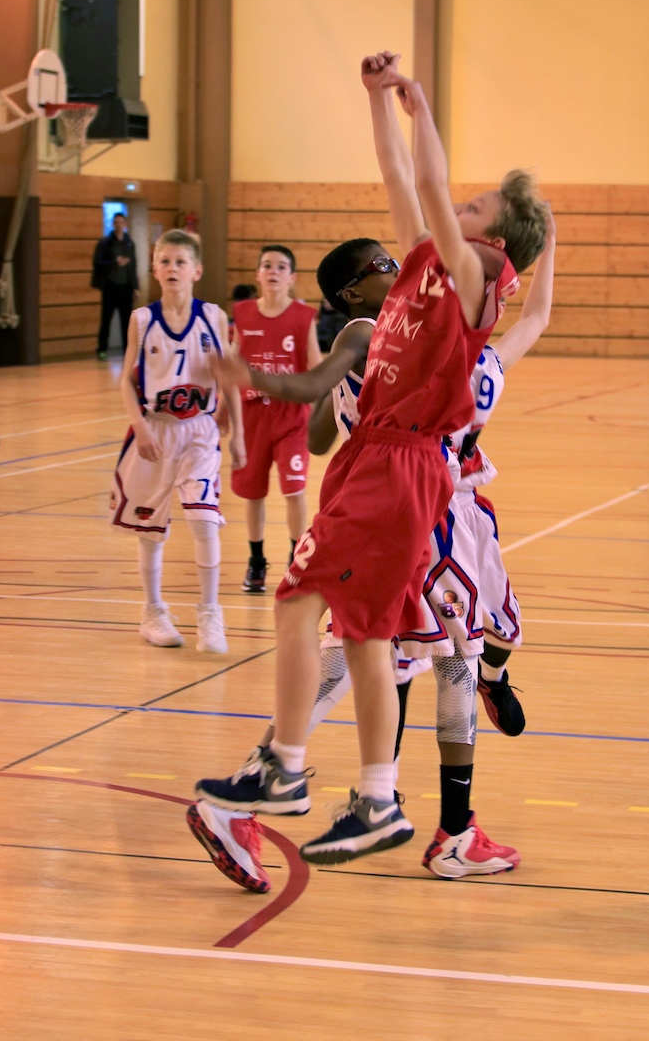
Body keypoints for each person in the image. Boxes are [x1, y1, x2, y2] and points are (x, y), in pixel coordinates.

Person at [192, 50, 548, 872]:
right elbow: (400, 179)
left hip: (403, 466)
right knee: (366, 635)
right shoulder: (421, 270)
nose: (456, 205)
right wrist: (376, 103)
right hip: (383, 467)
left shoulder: (470, 282)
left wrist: (419, 109)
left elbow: (427, 183)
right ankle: (379, 800)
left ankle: (285, 770)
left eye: (475, 206)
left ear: (493, 243)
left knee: (304, 606)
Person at [186, 234, 399, 890]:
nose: (397, 268)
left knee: (375, 650)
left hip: (409, 496)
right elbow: (317, 408)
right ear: (353, 291)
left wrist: (334, 400)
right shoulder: (372, 331)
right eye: (383, 264)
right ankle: (286, 786)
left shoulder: (402, 327)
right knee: (360, 647)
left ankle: (350, 791)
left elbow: (317, 426)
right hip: (393, 494)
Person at [109, 228, 245, 654]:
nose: (172, 268)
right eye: (164, 261)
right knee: (150, 530)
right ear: (154, 269)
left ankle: (210, 614)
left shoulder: (214, 317)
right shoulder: (142, 319)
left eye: (180, 262)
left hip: (200, 432)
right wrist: (139, 424)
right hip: (155, 429)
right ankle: (153, 612)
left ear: (196, 271)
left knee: (204, 520)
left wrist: (238, 432)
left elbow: (229, 377)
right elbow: (126, 381)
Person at [231, 246, 322, 594]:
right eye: (267, 265)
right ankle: (256, 560)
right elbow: (234, 367)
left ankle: (295, 559)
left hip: (291, 415)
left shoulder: (303, 316)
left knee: (294, 490)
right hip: (252, 416)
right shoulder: (243, 314)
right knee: (253, 493)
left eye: (281, 266)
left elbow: (316, 367)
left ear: (292, 277)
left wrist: (323, 410)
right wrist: (224, 412)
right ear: (257, 274)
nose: (273, 271)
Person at [92, 212, 138, 360]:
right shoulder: (105, 243)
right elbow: (97, 263)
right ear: (113, 224)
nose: (119, 225)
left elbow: (133, 267)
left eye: (121, 222)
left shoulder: (129, 244)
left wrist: (135, 287)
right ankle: (102, 349)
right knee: (106, 319)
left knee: (127, 321)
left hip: (125, 287)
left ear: (125, 224)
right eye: (116, 222)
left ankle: (127, 350)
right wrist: (114, 262)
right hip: (110, 287)